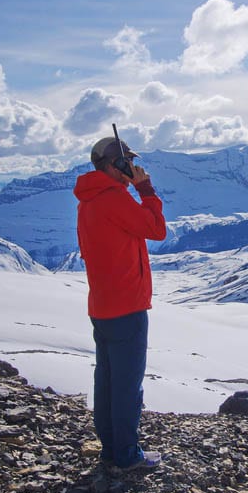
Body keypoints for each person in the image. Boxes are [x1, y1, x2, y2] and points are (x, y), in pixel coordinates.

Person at [73, 136, 167, 470]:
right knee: (127, 385)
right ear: (116, 166)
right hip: (127, 306)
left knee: (108, 380)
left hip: (103, 305)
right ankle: (127, 455)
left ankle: (111, 449)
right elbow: (156, 230)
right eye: (128, 163)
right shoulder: (114, 199)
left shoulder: (89, 200)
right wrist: (146, 190)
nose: (134, 168)